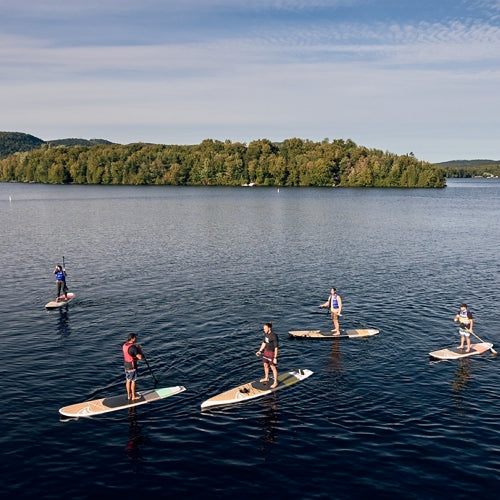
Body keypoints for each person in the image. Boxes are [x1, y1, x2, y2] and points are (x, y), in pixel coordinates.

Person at [256, 322, 279, 389]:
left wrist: (275, 358)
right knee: (265, 365)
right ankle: (266, 378)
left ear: (269, 328)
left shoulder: (274, 336)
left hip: (272, 353)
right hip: (266, 352)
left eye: (265, 328)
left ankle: (275, 382)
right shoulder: (265, 334)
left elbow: (276, 348)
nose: (264, 330)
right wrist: (260, 351)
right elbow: (264, 343)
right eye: (264, 329)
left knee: (273, 367)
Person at [123, 333, 143, 400]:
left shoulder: (125, 345)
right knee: (133, 381)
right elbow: (140, 357)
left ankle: (129, 396)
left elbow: (130, 353)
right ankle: (134, 396)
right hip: (132, 366)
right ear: (132, 339)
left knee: (128, 380)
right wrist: (139, 349)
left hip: (126, 365)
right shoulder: (133, 347)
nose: (136, 338)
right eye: (135, 337)